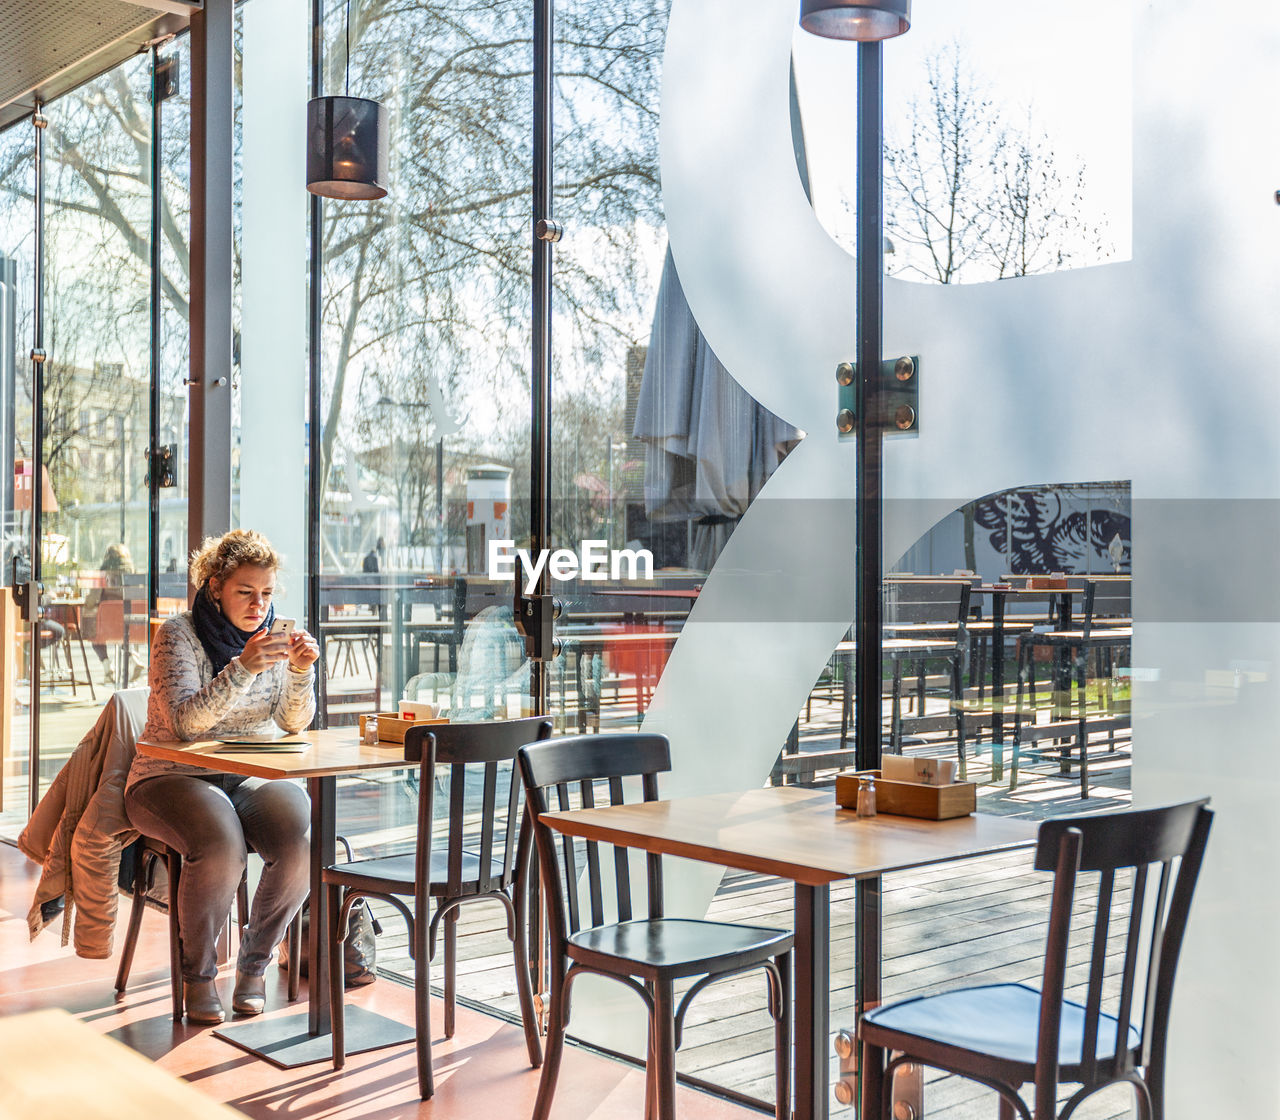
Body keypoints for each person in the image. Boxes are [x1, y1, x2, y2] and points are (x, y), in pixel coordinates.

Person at [123, 529, 320, 1026]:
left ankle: (254, 964)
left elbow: (294, 722)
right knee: (220, 839)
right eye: (245, 592)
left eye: (268, 593)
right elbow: (186, 723)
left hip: (244, 772)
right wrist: (243, 667)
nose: (260, 604)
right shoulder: (178, 634)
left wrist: (299, 672)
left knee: (300, 831)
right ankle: (199, 975)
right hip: (168, 776)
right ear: (215, 587)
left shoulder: (273, 638)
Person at [82, 542, 138, 687]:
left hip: (108, 626)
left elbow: (92, 600)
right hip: (131, 625)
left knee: (95, 637)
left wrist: (88, 601)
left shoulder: (104, 573)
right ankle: (134, 659)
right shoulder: (134, 573)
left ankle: (108, 669)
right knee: (123, 634)